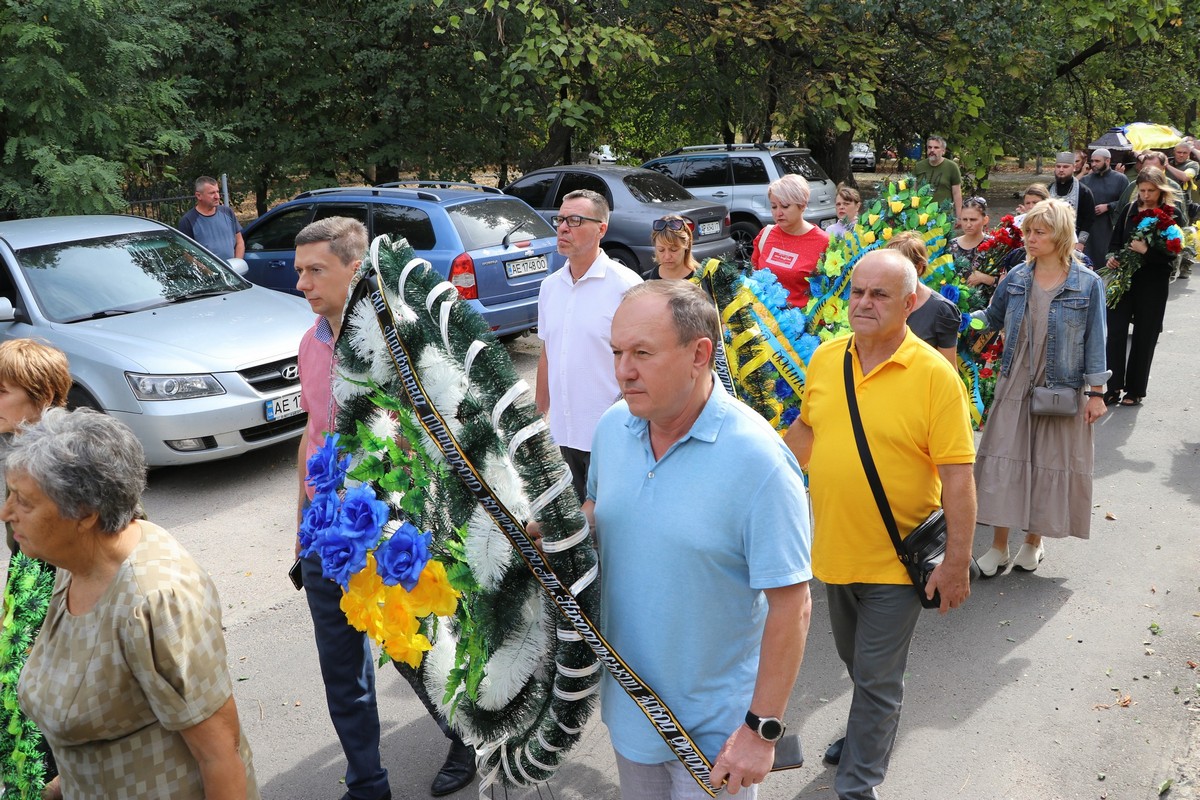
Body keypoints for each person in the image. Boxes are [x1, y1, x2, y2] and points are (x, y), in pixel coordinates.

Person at [589, 279, 813, 798]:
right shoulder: (611, 428)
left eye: (642, 352)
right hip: (630, 715)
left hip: (715, 740)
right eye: (618, 352)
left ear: (700, 354)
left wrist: (761, 730)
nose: (624, 370)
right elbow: (600, 510)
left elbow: (792, 606)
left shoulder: (759, 462)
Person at [293, 217, 475, 800]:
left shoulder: (403, 344)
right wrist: (301, 523)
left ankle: (466, 735)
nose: (302, 284)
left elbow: (435, 439)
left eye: (315, 270)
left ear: (355, 267)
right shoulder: (310, 343)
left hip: (397, 531)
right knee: (341, 671)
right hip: (329, 536)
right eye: (299, 271)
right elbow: (312, 433)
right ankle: (367, 784)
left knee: (415, 653)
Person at [784, 250, 976, 800]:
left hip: (898, 559)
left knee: (876, 674)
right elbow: (807, 432)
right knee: (859, 664)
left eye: (880, 295)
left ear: (910, 304)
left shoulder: (937, 378)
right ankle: (870, 725)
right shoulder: (825, 359)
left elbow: (959, 480)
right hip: (834, 551)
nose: (864, 303)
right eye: (858, 291)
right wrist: (762, 477)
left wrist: (958, 563)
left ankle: (858, 784)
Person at [3, 408, 259, 800]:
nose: (6, 513)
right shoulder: (75, 563)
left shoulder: (155, 601)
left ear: (84, 513)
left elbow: (221, 756)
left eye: (23, 502)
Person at [972, 199, 1109, 578]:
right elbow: (991, 317)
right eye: (1028, 231)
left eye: (1039, 232)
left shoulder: (1087, 283)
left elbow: (1097, 341)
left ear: (1060, 235)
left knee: (1047, 461)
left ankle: (1033, 541)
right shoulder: (1016, 276)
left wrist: (1097, 393)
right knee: (1005, 456)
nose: (1029, 238)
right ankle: (999, 546)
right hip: (1016, 377)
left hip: (1060, 384)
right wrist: (957, 312)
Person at [536, 189, 643, 502]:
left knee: (608, 534)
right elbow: (546, 354)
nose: (563, 227)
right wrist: (537, 418)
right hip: (561, 438)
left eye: (575, 220)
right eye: (560, 219)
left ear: (601, 229)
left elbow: (643, 362)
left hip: (611, 438)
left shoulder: (627, 286)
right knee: (570, 537)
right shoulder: (549, 287)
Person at [0, 339, 71, 798]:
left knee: (40, 698)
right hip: (26, 574)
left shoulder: (70, 449)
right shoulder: (15, 440)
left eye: (2, 391)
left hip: (58, 581)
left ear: (42, 396)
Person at [1104, 168, 1179, 407]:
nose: (1145, 195)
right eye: (1142, 190)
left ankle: (1135, 390)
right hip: (1123, 282)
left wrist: (1147, 252)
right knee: (1115, 332)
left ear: (1161, 190)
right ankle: (1113, 386)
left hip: (1153, 283)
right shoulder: (1128, 210)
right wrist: (1112, 258)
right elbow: (1114, 243)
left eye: (1151, 191)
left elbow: (1172, 255)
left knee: (1144, 336)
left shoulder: (1172, 215)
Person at [750, 174, 831, 309]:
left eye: (785, 206)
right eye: (774, 207)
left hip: (802, 325)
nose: (778, 213)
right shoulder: (766, 234)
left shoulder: (824, 242)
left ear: (803, 205)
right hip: (763, 321)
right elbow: (752, 276)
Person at [885, 231, 960, 363]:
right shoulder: (881, 302)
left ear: (919, 268)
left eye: (897, 268)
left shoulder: (941, 310)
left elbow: (948, 369)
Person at [1080, 148, 1129, 269]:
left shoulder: (1120, 179)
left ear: (1107, 161)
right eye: (1092, 161)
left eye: (1097, 161)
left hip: (1109, 226)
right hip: (1089, 228)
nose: (1094, 164)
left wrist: (1108, 206)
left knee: (1105, 258)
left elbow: (1127, 202)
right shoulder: (1086, 180)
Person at [177, 176, 245, 262]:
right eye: (212, 193)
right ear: (199, 195)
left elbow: (239, 242)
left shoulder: (227, 212)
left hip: (233, 272)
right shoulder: (188, 221)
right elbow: (186, 254)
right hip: (208, 274)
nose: (217, 196)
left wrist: (237, 265)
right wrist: (210, 273)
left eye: (217, 191)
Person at [1047, 153, 1096, 253]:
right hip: (1049, 239)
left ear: (1073, 168)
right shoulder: (1048, 189)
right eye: (1058, 166)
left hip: (1073, 242)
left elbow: (1089, 218)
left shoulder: (1084, 191)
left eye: (1065, 167)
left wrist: (1081, 242)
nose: (1061, 169)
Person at [911, 136, 963, 219]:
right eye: (929, 147)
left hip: (943, 216)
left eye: (936, 147)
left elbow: (957, 193)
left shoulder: (952, 167)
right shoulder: (919, 166)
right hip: (921, 216)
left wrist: (959, 217)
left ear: (943, 151)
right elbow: (913, 190)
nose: (932, 150)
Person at [949, 196, 992, 279]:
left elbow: (1005, 280)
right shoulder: (951, 246)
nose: (968, 225)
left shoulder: (993, 246)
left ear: (985, 220)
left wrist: (986, 279)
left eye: (973, 220)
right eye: (964, 219)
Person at [647, 214, 700, 280]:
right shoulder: (645, 280)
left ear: (686, 244)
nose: (667, 256)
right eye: (661, 250)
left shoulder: (702, 278)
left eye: (673, 249)